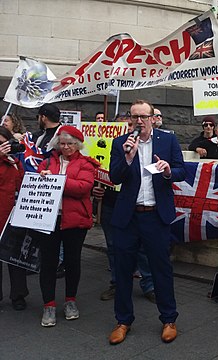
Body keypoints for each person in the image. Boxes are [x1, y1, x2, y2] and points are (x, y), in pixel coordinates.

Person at [108, 99, 185, 345]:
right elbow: (114, 176)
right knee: (122, 270)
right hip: (128, 217)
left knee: (161, 269)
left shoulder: (168, 140)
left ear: (153, 118)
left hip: (155, 215)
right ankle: (123, 321)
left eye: (143, 116)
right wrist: (128, 158)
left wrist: (167, 172)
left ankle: (169, 319)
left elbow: (182, 170)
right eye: (134, 117)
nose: (138, 121)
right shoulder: (121, 143)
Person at [32, 126, 99, 327]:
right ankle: (49, 305)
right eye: (62, 143)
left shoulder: (86, 164)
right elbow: (37, 184)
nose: (66, 147)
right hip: (49, 220)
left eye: (70, 143)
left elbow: (83, 188)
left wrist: (56, 181)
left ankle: (71, 300)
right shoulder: (47, 161)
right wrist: (43, 177)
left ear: (77, 145)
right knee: (48, 263)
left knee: (72, 262)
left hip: (75, 220)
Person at [94, 115, 156, 303]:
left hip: (136, 204)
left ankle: (149, 285)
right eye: (123, 126)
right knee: (114, 247)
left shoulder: (146, 146)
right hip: (111, 203)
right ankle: (117, 283)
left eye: (129, 125)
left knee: (143, 248)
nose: (128, 129)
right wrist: (94, 187)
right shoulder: (111, 144)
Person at [0, 127, 29, 311]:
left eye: (4, 142)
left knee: (15, 258)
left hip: (13, 216)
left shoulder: (15, 161)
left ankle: (18, 295)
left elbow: (23, 183)